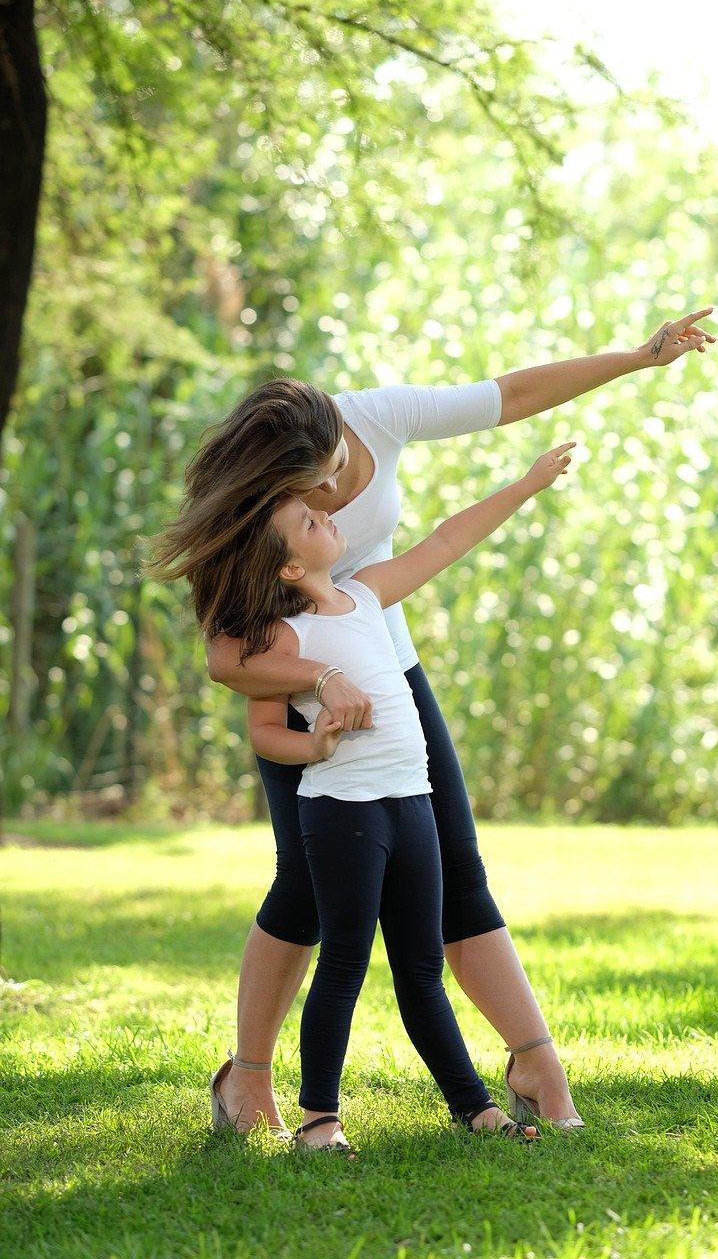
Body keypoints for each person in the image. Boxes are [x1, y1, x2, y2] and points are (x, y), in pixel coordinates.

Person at [151, 307, 715, 1138]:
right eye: (307, 498)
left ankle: (534, 1062)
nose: (327, 501)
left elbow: (509, 395)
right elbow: (226, 659)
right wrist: (320, 678)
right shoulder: (253, 501)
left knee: (457, 868)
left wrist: (638, 357)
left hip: (390, 674)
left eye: (331, 477)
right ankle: (251, 1080)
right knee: (305, 889)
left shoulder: (377, 416)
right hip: (300, 689)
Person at [232, 443, 576, 1148]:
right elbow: (264, 731)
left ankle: (476, 1109)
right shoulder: (282, 637)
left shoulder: (366, 595)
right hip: (342, 813)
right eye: (308, 522)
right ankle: (319, 1120)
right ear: (290, 567)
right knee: (344, 963)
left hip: (412, 801)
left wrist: (525, 483)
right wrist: (314, 747)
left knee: (422, 969)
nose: (327, 516)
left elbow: (446, 541)